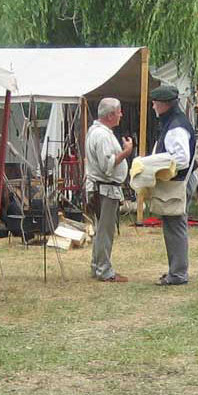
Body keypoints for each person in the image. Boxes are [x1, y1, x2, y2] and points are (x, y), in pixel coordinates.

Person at [149, 85, 195, 286]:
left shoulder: (176, 127)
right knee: (172, 226)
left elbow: (182, 159)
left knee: (175, 227)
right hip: (175, 182)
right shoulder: (174, 122)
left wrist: (154, 165)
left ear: (164, 105)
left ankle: (178, 274)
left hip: (176, 183)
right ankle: (175, 270)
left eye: (155, 103)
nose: (153, 106)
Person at [85, 98, 134, 282]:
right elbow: (108, 165)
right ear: (111, 114)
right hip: (105, 189)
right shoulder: (103, 135)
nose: (121, 115)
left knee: (102, 231)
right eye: (119, 111)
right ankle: (104, 270)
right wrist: (126, 152)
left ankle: (98, 266)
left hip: (103, 189)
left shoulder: (97, 132)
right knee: (105, 232)